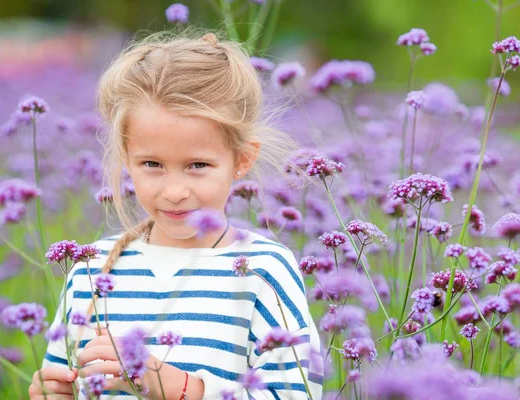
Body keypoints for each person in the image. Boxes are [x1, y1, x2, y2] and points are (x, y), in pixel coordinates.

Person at [29, 30, 323, 400]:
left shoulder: (262, 269)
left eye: (197, 165)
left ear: (242, 160)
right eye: (152, 164)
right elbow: (71, 377)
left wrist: (177, 387)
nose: (173, 191)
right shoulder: (91, 270)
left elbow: (297, 394)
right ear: (125, 157)